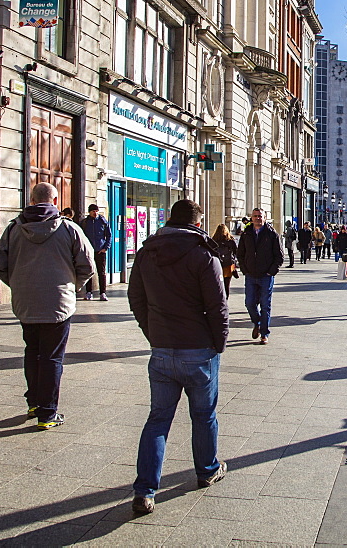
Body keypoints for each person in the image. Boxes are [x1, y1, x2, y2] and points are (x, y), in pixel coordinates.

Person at [127, 199, 230, 515]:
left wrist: (152, 331)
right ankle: (207, 469)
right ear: (197, 223)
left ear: (170, 219)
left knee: (158, 419)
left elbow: (136, 298)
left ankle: (145, 491)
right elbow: (218, 307)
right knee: (204, 415)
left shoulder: (147, 252)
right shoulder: (203, 254)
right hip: (199, 349)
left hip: (162, 350)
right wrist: (218, 344)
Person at [0, 182, 94, 431]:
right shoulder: (69, 229)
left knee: (32, 351)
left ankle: (35, 403)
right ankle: (48, 413)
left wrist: (18, 283)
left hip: (26, 302)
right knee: (52, 357)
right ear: (56, 201)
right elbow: (87, 265)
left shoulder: (14, 229)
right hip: (58, 303)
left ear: (32, 199)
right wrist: (73, 285)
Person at [237, 208, 284, 344]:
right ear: (251, 218)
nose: (257, 218)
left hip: (266, 275)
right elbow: (240, 253)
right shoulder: (246, 233)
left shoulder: (271, 234)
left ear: (265, 218)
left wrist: (272, 271)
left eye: (260, 216)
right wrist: (245, 269)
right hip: (250, 274)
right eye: (255, 216)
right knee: (249, 303)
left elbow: (279, 256)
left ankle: (264, 333)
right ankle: (257, 322)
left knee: (265, 305)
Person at [79, 203, 112, 301]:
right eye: (93, 211)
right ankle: (89, 292)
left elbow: (109, 235)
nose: (95, 213)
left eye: (97, 211)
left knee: (101, 273)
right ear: (89, 212)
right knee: (89, 272)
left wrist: (105, 247)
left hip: (100, 251)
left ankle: (103, 293)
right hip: (89, 251)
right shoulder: (85, 223)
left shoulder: (102, 221)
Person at [212, 224, 239, 293]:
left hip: (217, 265)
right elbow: (236, 252)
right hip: (228, 266)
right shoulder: (230, 241)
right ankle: (225, 299)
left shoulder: (213, 241)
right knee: (226, 284)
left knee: (217, 284)